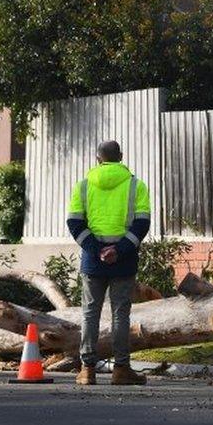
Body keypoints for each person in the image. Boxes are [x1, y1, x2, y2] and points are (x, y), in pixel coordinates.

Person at [67, 141, 151, 386]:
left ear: (97, 159)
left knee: (89, 314)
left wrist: (97, 250)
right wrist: (120, 249)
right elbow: (142, 223)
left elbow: (74, 223)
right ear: (121, 157)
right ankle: (121, 369)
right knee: (120, 315)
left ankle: (87, 370)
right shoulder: (136, 186)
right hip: (124, 260)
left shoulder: (82, 186)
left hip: (93, 260)